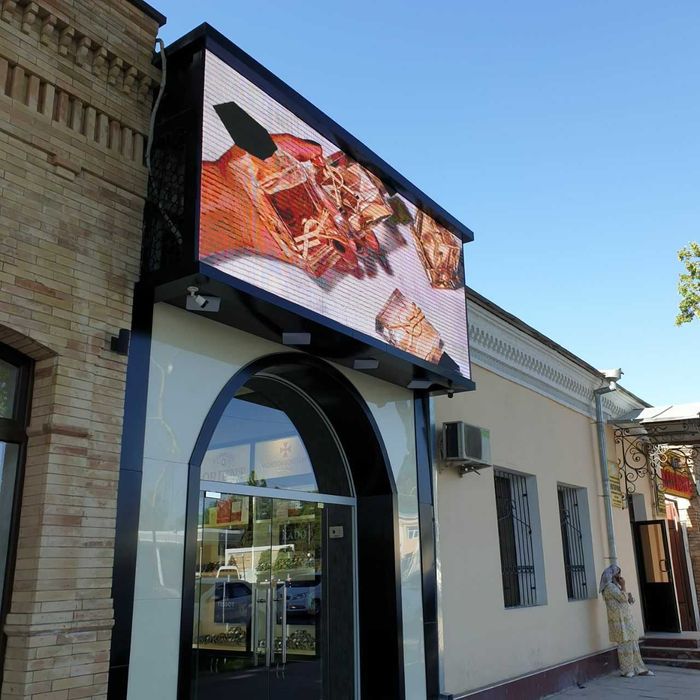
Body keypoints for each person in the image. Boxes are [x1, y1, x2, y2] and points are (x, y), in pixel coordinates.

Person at [599, 564, 654, 678]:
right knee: (624, 644)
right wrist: (623, 585)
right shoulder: (609, 587)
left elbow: (624, 599)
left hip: (625, 619)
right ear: (612, 574)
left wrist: (626, 593)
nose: (619, 576)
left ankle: (639, 668)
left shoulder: (615, 586)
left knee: (633, 643)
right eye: (617, 574)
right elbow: (622, 598)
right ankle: (626, 670)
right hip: (619, 621)